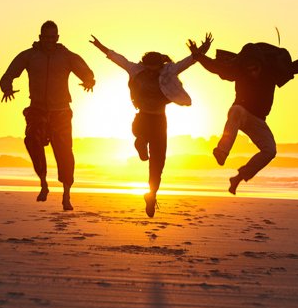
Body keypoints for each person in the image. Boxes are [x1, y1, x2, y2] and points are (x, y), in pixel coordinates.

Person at [89, 33, 211, 216]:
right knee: (140, 135)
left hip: (160, 121)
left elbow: (187, 62)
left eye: (155, 69)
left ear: (160, 66)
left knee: (158, 164)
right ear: (144, 64)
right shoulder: (136, 70)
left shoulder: (168, 71)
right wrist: (101, 47)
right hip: (142, 117)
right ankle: (140, 144)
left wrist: (201, 51)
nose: (152, 72)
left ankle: (151, 195)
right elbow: (119, 59)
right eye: (149, 68)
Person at [188, 37, 298, 195]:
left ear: (261, 64)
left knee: (270, 151)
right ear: (243, 67)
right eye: (249, 70)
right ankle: (222, 151)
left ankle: (239, 177)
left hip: (258, 120)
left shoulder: (271, 69)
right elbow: (216, 67)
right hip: (241, 113)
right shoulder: (237, 69)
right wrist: (199, 56)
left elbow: (292, 68)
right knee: (236, 111)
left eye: (255, 69)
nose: (253, 73)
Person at [0, 21, 95, 211]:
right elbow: (9, 74)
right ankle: (43, 182)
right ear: (40, 37)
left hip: (61, 111)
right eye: (46, 37)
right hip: (37, 109)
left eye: (53, 37)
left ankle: (66, 195)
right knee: (32, 141)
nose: (50, 41)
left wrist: (89, 81)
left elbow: (86, 71)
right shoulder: (29, 55)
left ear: (57, 38)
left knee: (65, 152)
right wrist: (6, 86)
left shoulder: (66, 56)